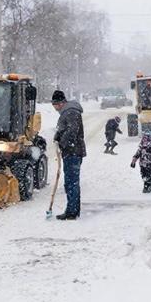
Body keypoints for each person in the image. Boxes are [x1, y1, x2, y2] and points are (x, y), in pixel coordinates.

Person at [52, 90, 87, 220]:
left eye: (54, 105)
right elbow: (64, 129)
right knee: (71, 182)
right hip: (72, 151)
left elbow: (72, 131)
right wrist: (58, 135)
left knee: (71, 182)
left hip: (73, 151)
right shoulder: (68, 112)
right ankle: (72, 210)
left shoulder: (71, 112)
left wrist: (62, 142)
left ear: (60, 103)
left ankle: (72, 211)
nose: (54, 108)